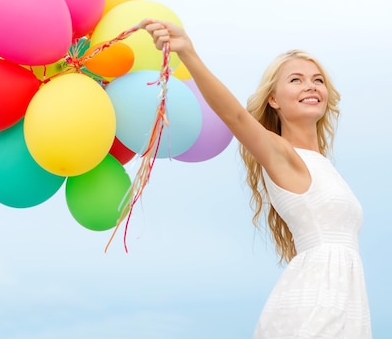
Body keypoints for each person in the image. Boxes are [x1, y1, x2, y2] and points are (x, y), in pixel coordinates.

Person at [141, 19, 372, 339]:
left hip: (342, 305)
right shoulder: (282, 153)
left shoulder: (324, 167)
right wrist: (188, 53)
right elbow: (235, 116)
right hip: (314, 309)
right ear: (273, 100)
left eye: (318, 80)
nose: (311, 85)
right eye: (296, 79)